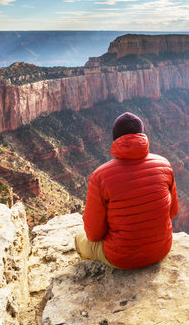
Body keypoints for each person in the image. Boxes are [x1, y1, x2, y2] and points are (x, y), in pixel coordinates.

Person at [76, 112, 178, 269]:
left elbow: (94, 235)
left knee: (79, 239)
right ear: (142, 134)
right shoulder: (164, 164)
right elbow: (172, 213)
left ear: (115, 138)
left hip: (122, 259)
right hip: (161, 250)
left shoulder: (99, 177)